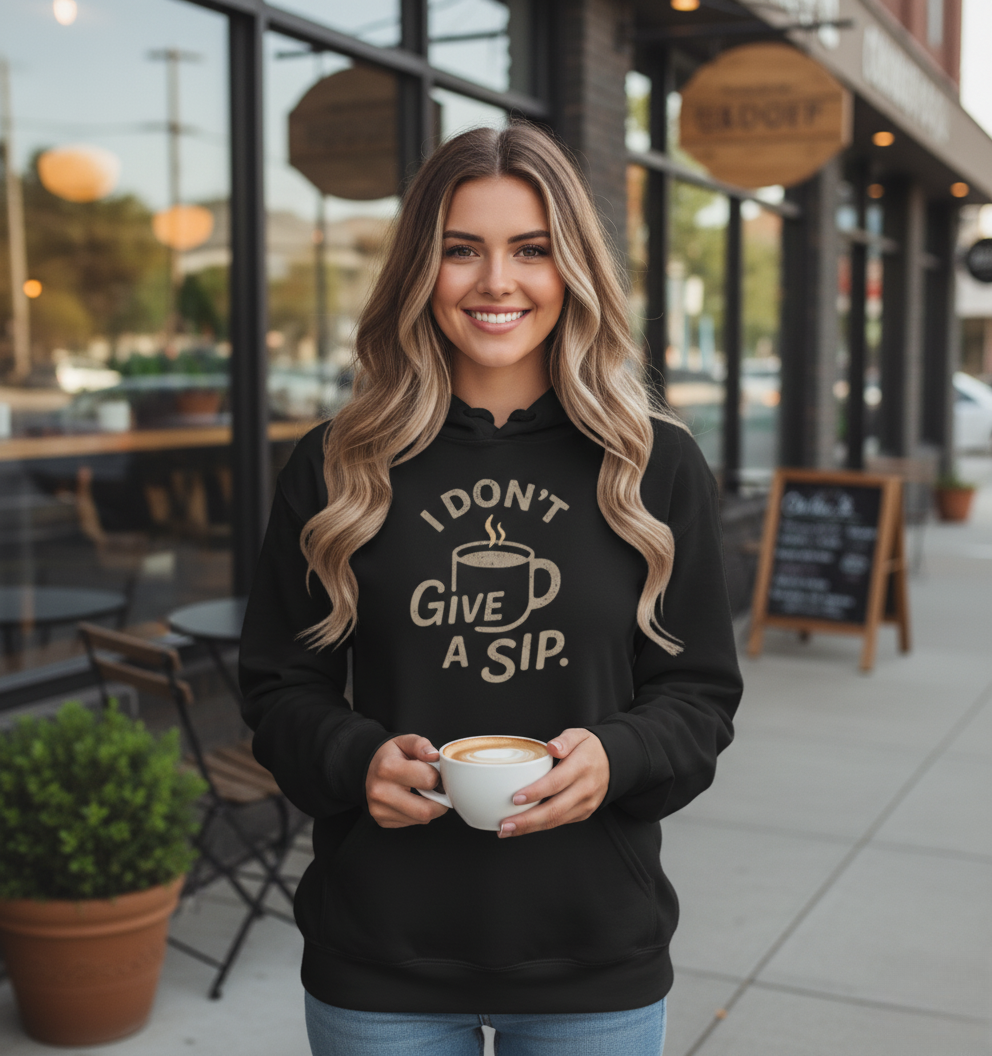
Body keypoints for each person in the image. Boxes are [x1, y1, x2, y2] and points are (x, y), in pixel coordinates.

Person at [239, 122, 743, 1056]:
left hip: (594, 958)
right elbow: (277, 687)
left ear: (574, 269)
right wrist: (357, 761)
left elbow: (701, 695)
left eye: (532, 250)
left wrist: (617, 755)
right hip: (380, 957)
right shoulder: (338, 464)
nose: (496, 283)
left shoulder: (653, 465)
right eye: (460, 251)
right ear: (419, 272)